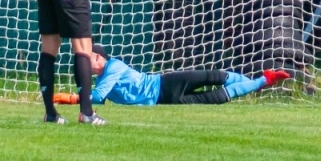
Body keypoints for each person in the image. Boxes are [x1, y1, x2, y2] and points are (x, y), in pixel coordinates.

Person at [87, 57, 289, 106]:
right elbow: (98, 99)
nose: (96, 59)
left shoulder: (113, 65)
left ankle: (262, 80)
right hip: (164, 100)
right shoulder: (102, 81)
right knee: (217, 98)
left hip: (165, 83)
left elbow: (97, 96)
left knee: (215, 77)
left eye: (95, 56)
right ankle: (260, 81)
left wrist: (74, 98)